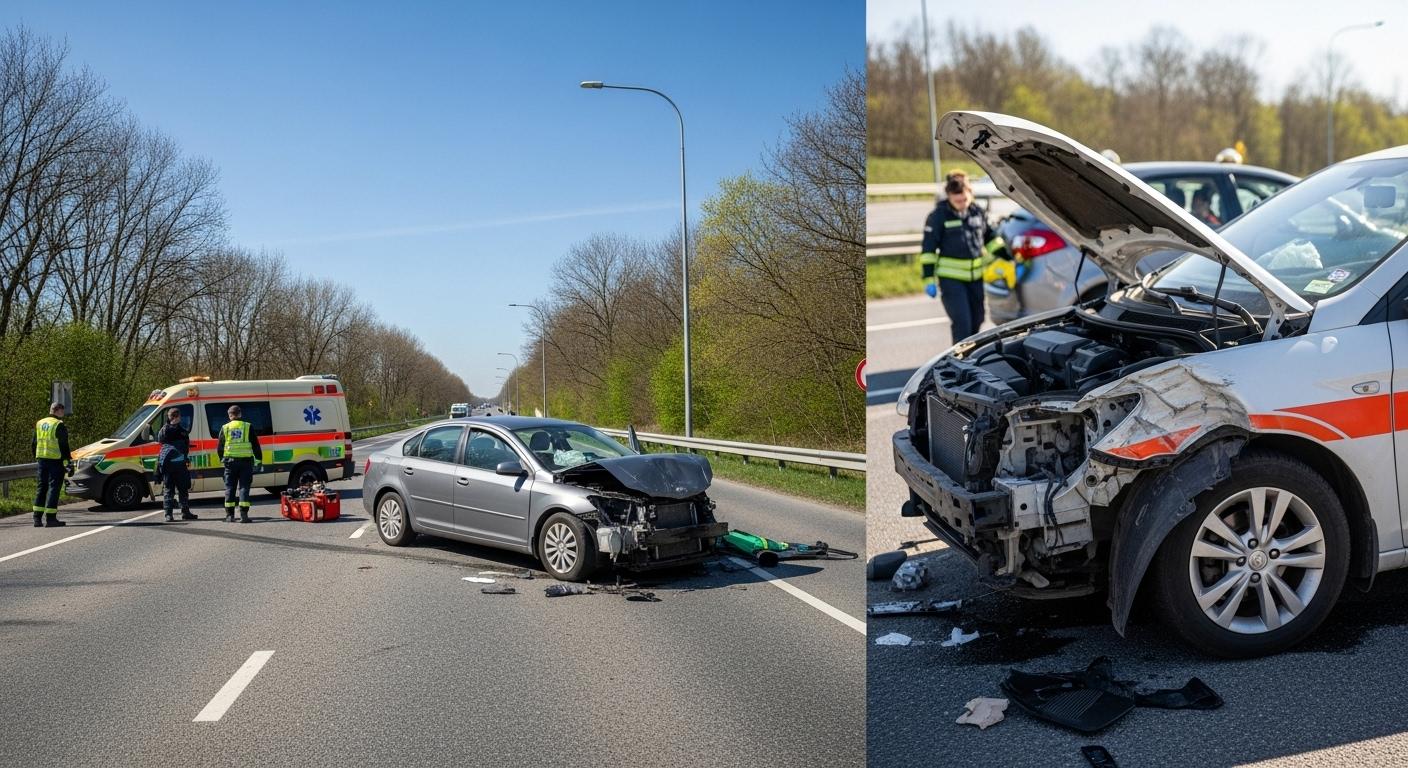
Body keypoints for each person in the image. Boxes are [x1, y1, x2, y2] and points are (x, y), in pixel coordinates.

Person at [919, 171, 1008, 345]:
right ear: (949, 197)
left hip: (975, 278)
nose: (961, 204)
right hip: (951, 280)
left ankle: (968, 356)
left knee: (978, 320)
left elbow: (990, 239)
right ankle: (958, 362)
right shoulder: (938, 216)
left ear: (970, 195)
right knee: (962, 323)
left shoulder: (977, 212)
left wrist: (1010, 258)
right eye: (957, 201)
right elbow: (928, 250)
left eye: (965, 200)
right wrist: (928, 279)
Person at [216, 405, 262, 523]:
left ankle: (230, 516)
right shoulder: (247, 426)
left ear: (229, 415)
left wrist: (222, 459)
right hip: (245, 462)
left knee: (230, 488)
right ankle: (243, 515)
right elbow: (256, 445)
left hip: (230, 463)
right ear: (240, 414)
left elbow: (220, 447)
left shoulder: (225, 428)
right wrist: (259, 460)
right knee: (244, 488)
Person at [31, 402, 73, 527]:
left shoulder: (40, 423)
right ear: (58, 410)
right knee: (54, 488)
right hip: (55, 460)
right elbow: (64, 445)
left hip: (42, 460)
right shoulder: (58, 424)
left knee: (41, 487)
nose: (63, 414)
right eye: (62, 411)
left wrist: (36, 457)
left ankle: (37, 518)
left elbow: (34, 443)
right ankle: (51, 519)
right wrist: (68, 462)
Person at [155, 407, 198, 523]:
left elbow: (160, 442)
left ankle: (168, 515)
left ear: (169, 417)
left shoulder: (163, 430)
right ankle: (185, 512)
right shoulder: (182, 431)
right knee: (183, 490)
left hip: (167, 465)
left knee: (169, 490)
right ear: (178, 417)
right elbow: (186, 447)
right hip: (180, 464)